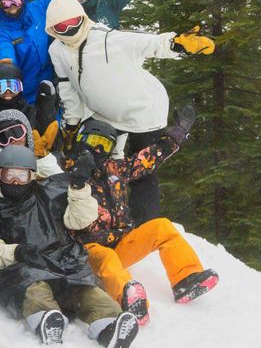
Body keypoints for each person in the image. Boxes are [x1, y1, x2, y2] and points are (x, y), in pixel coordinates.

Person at [45, 0, 215, 225]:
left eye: (73, 22)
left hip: (144, 113)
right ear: (52, 29)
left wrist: (176, 44)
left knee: (143, 171)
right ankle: (106, 221)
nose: (69, 30)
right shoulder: (57, 49)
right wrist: (72, 124)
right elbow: (68, 88)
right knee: (99, 167)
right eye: (61, 27)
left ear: (83, 18)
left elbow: (146, 43)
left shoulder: (106, 38)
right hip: (104, 117)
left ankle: (146, 226)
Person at [0, 145, 140, 348]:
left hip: (64, 262)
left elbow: (81, 220)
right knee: (35, 289)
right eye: (9, 175)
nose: (15, 182)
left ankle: (109, 327)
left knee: (87, 292)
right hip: (22, 268)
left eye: (21, 176)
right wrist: (17, 252)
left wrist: (79, 187)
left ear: (32, 176)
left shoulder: (49, 193)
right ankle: (46, 320)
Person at [62, 114, 218, 325]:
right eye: (93, 142)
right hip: (87, 250)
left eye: (104, 145)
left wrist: (177, 134)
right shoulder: (67, 172)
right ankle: (128, 299)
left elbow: (146, 160)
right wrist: (76, 173)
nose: (97, 150)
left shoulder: (114, 169)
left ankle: (186, 279)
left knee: (162, 226)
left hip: (122, 242)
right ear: (82, 141)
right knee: (107, 257)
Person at [0, 63, 60, 157]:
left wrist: (46, 109)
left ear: (21, 88)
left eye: (13, 86)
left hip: (29, 160)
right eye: (1, 87)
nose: (7, 91)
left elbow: (51, 140)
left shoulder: (29, 111)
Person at [0, 109, 62, 190]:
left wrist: (42, 158)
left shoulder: (37, 149)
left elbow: (59, 181)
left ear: (27, 132)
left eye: (17, 132)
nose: (13, 140)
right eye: (4, 137)